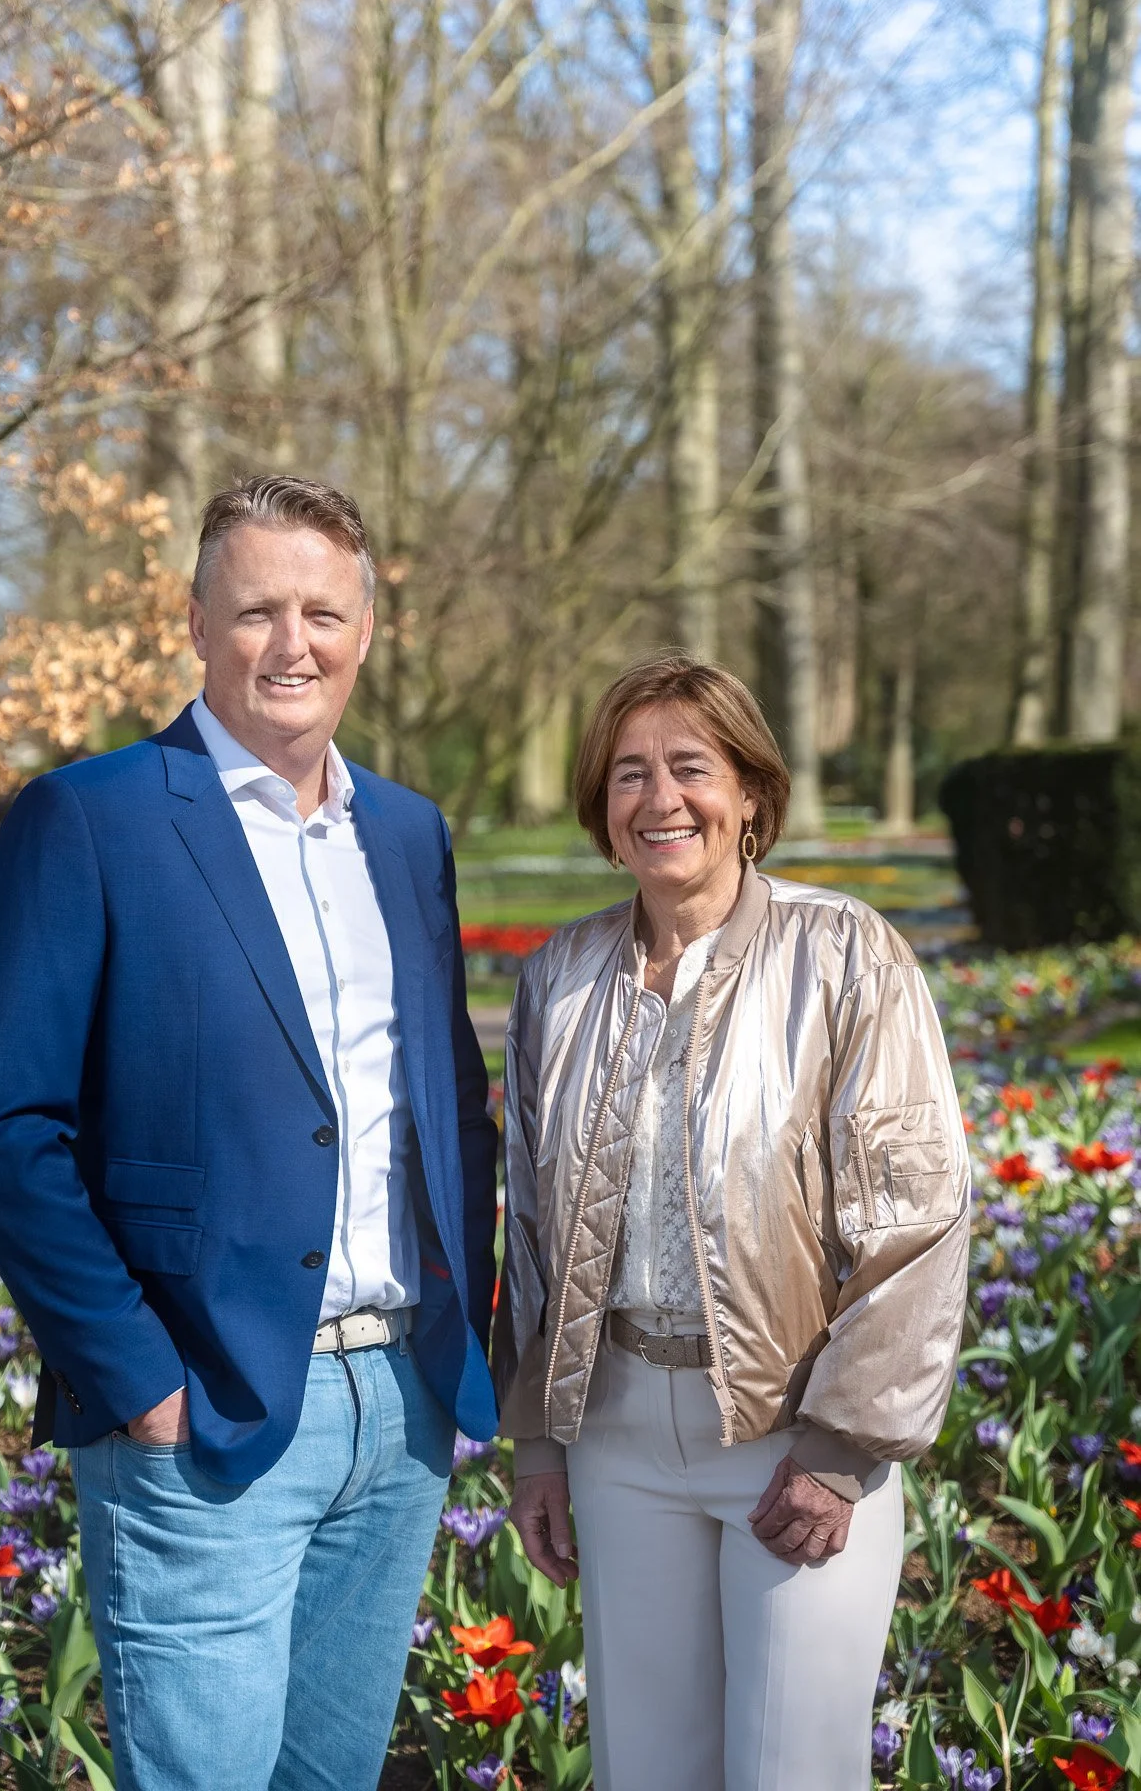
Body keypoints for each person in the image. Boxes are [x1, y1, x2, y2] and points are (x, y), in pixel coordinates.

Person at [0, 475, 498, 1791]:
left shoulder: (409, 838)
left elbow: (445, 1099)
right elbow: (1, 1129)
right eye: (255, 610)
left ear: (369, 628)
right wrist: (134, 1375)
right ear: (194, 622)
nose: (290, 643)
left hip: (401, 1411)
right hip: (205, 1415)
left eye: (322, 611)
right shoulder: (94, 820)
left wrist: (465, 1331)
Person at [493, 652, 969, 1791]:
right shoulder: (559, 977)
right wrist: (540, 1438)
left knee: (790, 1772)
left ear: (751, 792)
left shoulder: (845, 953)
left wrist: (841, 1445)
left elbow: (921, 1215)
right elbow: (530, 1224)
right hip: (615, 1437)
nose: (661, 799)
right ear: (602, 809)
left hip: (788, 1433)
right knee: (644, 1771)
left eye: (691, 768)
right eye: (628, 774)